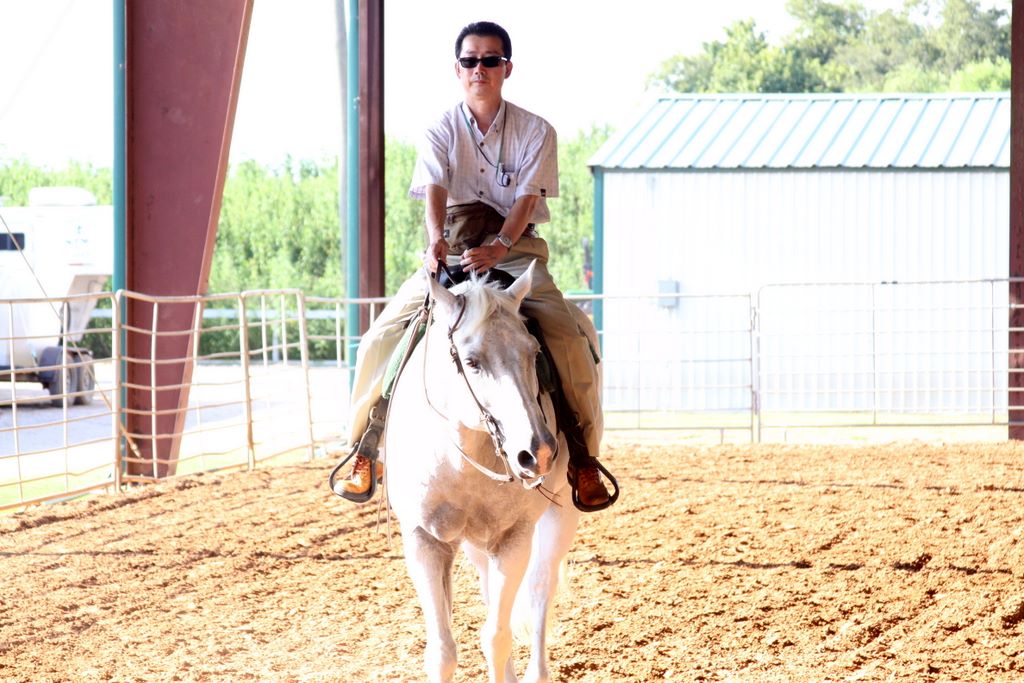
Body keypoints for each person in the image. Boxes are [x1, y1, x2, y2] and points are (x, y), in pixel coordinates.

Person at [332, 20, 613, 510]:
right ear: (458, 69)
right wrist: (436, 240)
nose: (479, 69)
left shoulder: (537, 130)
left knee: (569, 338)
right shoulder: (440, 129)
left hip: (517, 250)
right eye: (470, 61)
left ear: (507, 67)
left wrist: (501, 246)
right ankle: (364, 448)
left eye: (489, 60)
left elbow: (527, 198)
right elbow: (435, 189)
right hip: (455, 248)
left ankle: (583, 458)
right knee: (379, 337)